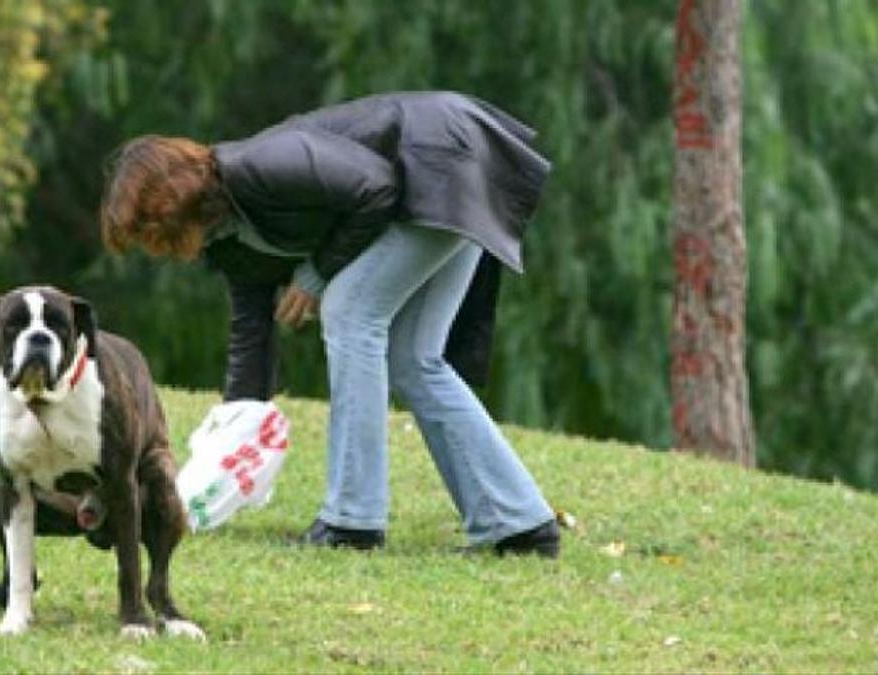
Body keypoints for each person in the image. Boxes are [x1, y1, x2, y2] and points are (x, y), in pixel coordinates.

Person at [100, 91, 560, 557]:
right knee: (413, 359)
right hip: (451, 176)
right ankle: (519, 524)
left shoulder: (262, 165)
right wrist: (236, 433)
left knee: (349, 312)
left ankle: (352, 522)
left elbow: (377, 187)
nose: (151, 245)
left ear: (169, 199)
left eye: (146, 229)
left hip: (446, 161)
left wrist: (318, 273)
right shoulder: (226, 240)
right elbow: (251, 330)